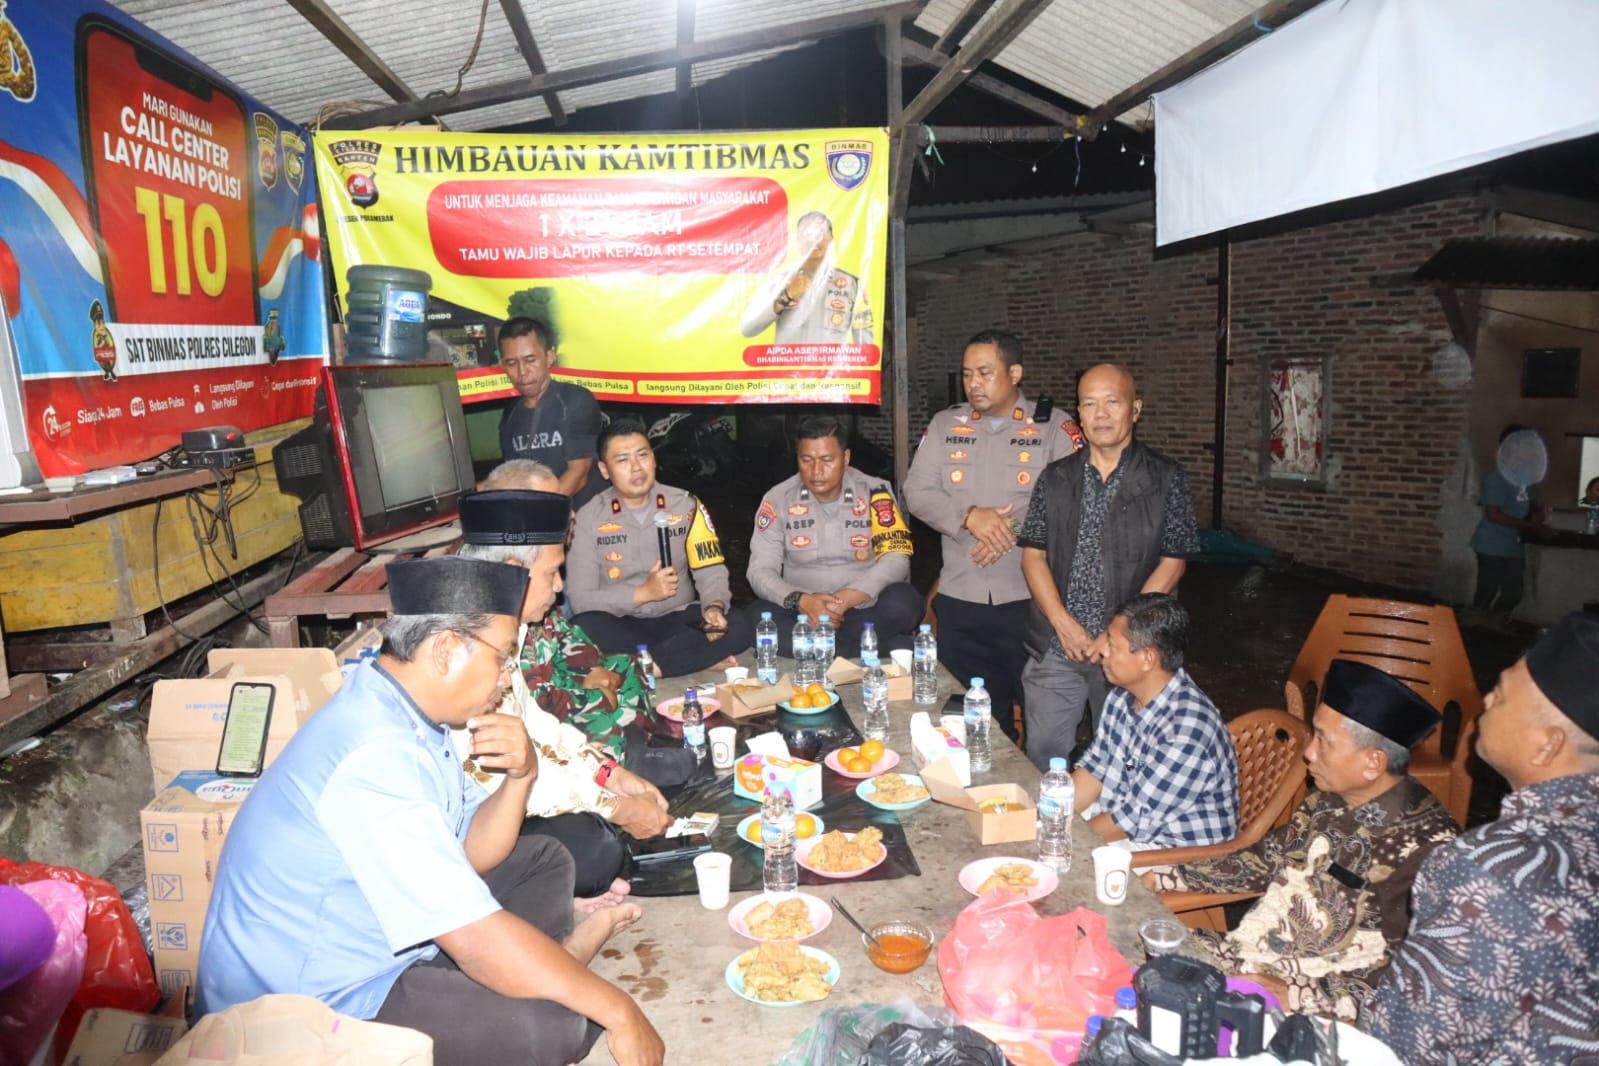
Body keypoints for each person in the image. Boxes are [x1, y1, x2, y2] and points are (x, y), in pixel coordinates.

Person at [197, 556, 664, 1066]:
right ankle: (553, 967)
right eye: (502, 657)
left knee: (546, 858)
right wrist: (621, 1011)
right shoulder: (374, 753)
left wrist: (521, 777)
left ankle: (540, 972)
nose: (506, 678)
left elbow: (473, 853)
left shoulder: (410, 713)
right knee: (547, 1029)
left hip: (388, 940)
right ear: (444, 651)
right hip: (314, 1003)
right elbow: (472, 936)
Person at [1146, 658, 1458, 1020]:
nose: (1309, 752)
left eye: (1324, 740)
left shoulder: (1431, 850)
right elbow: (1265, 860)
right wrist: (1165, 876)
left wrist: (1298, 994)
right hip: (1245, 958)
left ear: (1374, 762)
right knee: (1129, 945)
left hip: (1307, 1008)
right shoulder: (1328, 798)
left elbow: (1423, 980)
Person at [1362, 612, 1599, 1063]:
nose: (1487, 699)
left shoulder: (1493, 871)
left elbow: (1396, 1046)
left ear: (1547, 745)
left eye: (1502, 694)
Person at [454, 483, 672, 897]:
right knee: (595, 852)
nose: (559, 588)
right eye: (552, 573)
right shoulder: (465, 651)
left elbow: (536, 727)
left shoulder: (504, 627)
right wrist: (614, 806)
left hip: (511, 790)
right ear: (514, 572)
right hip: (472, 824)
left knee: (597, 832)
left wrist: (608, 774)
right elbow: (496, 776)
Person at [1018, 363, 1201, 769]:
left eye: (1112, 402)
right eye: (1089, 404)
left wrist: (1117, 632)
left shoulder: (1166, 479)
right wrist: (1062, 623)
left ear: (1135, 409)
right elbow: (1033, 555)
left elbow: (1173, 562)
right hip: (1058, 644)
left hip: (1131, 649)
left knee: (1124, 762)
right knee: (1042, 754)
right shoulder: (1055, 478)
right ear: (1079, 414)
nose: (1100, 414)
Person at [904, 328, 1083, 741]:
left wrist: (1008, 529)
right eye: (968, 374)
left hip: (1029, 598)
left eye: (985, 373)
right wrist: (968, 517)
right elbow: (917, 492)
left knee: (1042, 716)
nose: (974, 384)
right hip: (961, 594)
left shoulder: (1054, 427)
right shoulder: (945, 424)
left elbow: (1075, 499)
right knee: (974, 719)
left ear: (1014, 373)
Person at [480, 460, 657, 761]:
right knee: (601, 722)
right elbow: (530, 695)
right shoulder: (503, 592)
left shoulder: (538, 566)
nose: (570, 514)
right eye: (554, 506)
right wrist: (594, 695)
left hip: (559, 677)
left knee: (626, 667)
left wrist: (593, 669)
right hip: (539, 705)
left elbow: (562, 634)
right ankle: (620, 757)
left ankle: (638, 743)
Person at [568, 418, 752, 676]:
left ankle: (647, 665)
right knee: (581, 629)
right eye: (623, 460)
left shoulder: (686, 505)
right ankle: (686, 659)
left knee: (739, 624)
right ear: (604, 470)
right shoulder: (588, 518)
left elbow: (710, 569)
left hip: (679, 620)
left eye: (642, 455)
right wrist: (643, 593)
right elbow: (582, 599)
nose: (636, 467)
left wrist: (713, 607)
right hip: (622, 623)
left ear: (653, 459)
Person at [1071, 594, 1237, 850]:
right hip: (1124, 822)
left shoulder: (1185, 734)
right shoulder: (1123, 697)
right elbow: (1097, 768)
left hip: (1173, 853)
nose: (1102, 650)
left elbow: (1131, 820)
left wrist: (1061, 840)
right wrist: (1048, 818)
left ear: (1148, 658)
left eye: (1112, 645)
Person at [748, 414, 922, 658]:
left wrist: (843, 600)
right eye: (806, 460)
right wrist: (803, 601)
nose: (816, 471)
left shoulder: (875, 492)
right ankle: (870, 646)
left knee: (906, 603)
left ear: (846, 458)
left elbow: (896, 558)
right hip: (803, 613)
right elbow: (759, 570)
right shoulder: (778, 498)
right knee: (754, 618)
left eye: (827, 460)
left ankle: (820, 649)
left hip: (861, 607)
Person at [497, 317, 604, 508]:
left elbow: (578, 474)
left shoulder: (575, 399)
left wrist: (540, 515)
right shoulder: (510, 415)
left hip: (586, 518)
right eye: (512, 363)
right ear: (502, 364)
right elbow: (514, 477)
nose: (522, 372)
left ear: (550, 357)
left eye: (530, 360)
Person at [739, 211, 872, 345]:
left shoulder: (851, 285)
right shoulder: (779, 282)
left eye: (820, 233)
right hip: (789, 359)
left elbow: (866, 344)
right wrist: (785, 296)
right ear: (797, 240)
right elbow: (747, 328)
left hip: (832, 360)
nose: (814, 240)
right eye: (807, 234)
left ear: (831, 239)